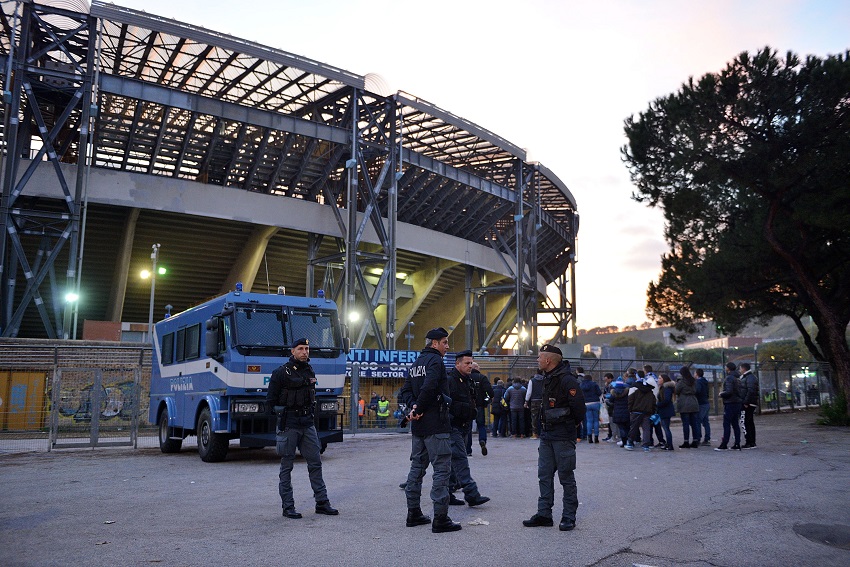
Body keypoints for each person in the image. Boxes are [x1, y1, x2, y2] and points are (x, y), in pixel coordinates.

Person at [398, 327, 462, 533]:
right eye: (445, 342)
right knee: (442, 470)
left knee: (417, 469)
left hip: (419, 426)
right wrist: (420, 407)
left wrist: (414, 408)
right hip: (436, 424)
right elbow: (430, 386)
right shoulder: (435, 361)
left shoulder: (416, 363)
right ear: (434, 343)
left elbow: (405, 390)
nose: (447, 346)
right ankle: (440, 519)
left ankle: (413, 513)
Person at [266, 338, 338, 519]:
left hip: (307, 424)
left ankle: (322, 503)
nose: (305, 352)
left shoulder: (309, 370)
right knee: (286, 466)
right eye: (301, 349)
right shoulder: (281, 373)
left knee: (315, 463)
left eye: (307, 348)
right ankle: (288, 506)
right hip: (289, 424)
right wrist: (282, 415)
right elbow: (270, 403)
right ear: (293, 351)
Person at [523, 344, 586, 531]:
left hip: (562, 435)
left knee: (566, 476)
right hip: (547, 434)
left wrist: (569, 425)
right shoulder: (547, 378)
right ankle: (544, 514)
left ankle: (568, 516)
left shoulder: (567, 380)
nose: (537, 360)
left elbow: (579, 410)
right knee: (544, 475)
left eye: (539, 357)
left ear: (548, 360)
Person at [446, 350, 491, 507]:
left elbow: (485, 395)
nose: (470, 366)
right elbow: (447, 403)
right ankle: (471, 493)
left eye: (471, 363)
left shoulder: (468, 380)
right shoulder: (451, 380)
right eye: (467, 363)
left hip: (464, 423)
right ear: (457, 364)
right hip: (453, 425)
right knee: (460, 458)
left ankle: (448, 492)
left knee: (453, 461)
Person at [715, 362, 743, 451]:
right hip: (737, 402)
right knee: (735, 424)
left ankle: (724, 443)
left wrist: (721, 394)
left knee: (726, 424)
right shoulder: (738, 378)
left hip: (730, 403)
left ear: (728, 368)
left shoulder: (729, 378)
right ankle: (737, 443)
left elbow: (729, 391)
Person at [625, 377, 656, 452]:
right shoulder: (650, 392)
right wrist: (652, 411)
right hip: (647, 412)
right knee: (646, 429)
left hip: (636, 411)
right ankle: (646, 445)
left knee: (633, 428)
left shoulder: (636, 391)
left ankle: (630, 442)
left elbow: (630, 400)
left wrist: (630, 410)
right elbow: (653, 403)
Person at [469, 362, 494, 455]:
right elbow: (490, 392)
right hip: (479, 405)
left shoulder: (467, 377)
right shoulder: (482, 377)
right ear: (476, 368)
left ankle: (468, 450)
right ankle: (482, 441)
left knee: (468, 427)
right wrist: (486, 400)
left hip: (468, 405)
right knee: (481, 425)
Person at [675, 366, 700, 448]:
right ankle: (695, 440)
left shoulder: (681, 381)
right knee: (694, 423)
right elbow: (696, 390)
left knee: (685, 424)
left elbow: (676, 391)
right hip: (694, 402)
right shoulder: (693, 381)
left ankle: (686, 441)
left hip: (684, 403)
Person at [578, 369, 602, 443]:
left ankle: (589, 438)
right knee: (596, 421)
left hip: (586, 404)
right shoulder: (594, 384)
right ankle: (596, 437)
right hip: (595, 403)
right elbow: (599, 393)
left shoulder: (581, 385)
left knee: (589, 421)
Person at [739, 362, 760, 449]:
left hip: (748, 403)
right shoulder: (751, 377)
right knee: (749, 422)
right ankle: (752, 442)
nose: (739, 370)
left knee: (745, 422)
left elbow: (750, 390)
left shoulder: (748, 378)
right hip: (751, 402)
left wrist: (746, 402)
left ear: (743, 369)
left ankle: (749, 442)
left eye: (740, 368)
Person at [656, 373, 676, 450]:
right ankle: (668, 444)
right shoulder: (663, 388)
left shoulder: (666, 388)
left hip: (665, 410)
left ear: (664, 379)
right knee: (665, 427)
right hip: (664, 410)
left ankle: (670, 445)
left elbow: (666, 400)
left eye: (660, 378)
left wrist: (658, 404)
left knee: (666, 428)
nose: (658, 379)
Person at [610, 376, 630, 446]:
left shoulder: (613, 393)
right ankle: (628, 441)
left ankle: (623, 441)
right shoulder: (627, 392)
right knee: (627, 427)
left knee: (621, 428)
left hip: (617, 412)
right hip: (626, 412)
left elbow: (610, 401)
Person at [525, 371, 545, 439]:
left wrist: (526, 401)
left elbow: (529, 392)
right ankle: (543, 432)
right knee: (543, 417)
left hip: (534, 401)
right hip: (543, 400)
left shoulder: (532, 380)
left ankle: (535, 434)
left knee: (534, 417)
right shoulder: (545, 380)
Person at [694, 368, 711, 445]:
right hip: (706, 402)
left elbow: (697, 391)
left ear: (697, 374)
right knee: (705, 421)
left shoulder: (698, 382)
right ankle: (707, 438)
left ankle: (698, 438)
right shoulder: (705, 382)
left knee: (698, 421)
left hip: (700, 403)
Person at [601, 373, 615, 442]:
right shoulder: (608, 386)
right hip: (609, 404)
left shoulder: (612, 385)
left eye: (606, 379)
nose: (605, 381)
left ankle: (612, 435)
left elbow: (610, 395)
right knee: (610, 421)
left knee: (611, 421)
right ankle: (610, 435)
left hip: (611, 404)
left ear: (610, 378)